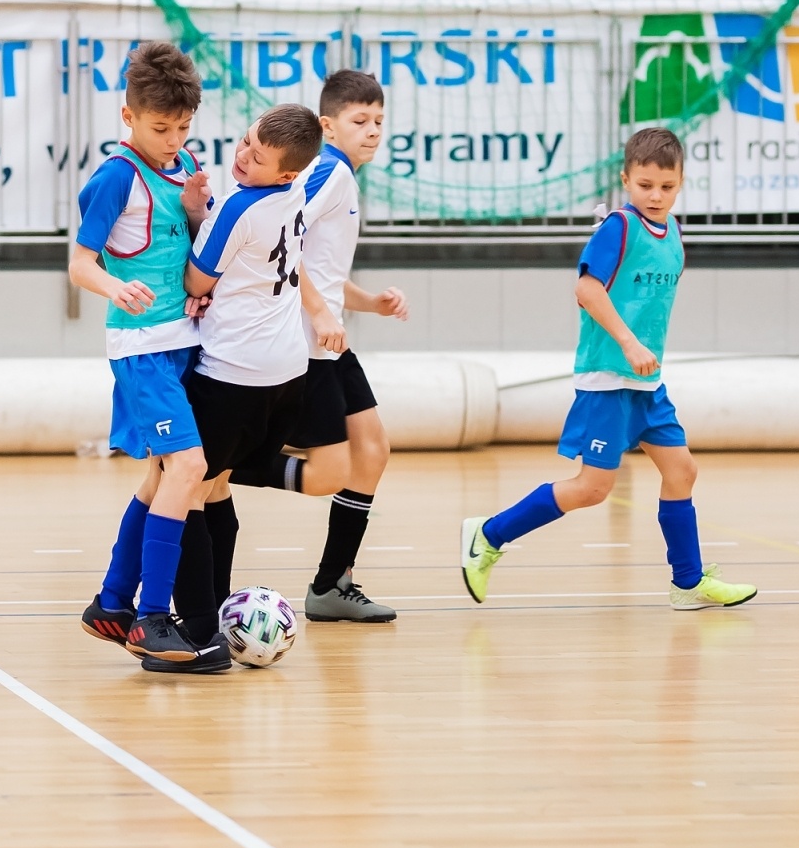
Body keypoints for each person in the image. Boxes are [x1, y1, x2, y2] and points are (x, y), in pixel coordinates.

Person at [459, 127, 757, 611]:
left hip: (646, 383)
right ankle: (488, 535)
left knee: (681, 470)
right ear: (626, 180)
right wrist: (629, 343)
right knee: (593, 488)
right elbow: (587, 290)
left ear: (681, 182)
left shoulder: (674, 232)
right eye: (644, 185)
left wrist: (644, 354)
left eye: (665, 186)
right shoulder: (618, 227)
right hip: (608, 379)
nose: (655, 195)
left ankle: (688, 583)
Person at [230, 69, 409, 623]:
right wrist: (318, 310)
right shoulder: (327, 171)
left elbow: (322, 270)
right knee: (331, 468)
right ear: (329, 126)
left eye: (379, 120)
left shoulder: (343, 176)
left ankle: (332, 585)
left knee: (373, 450)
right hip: (307, 345)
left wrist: (366, 302)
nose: (373, 130)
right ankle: (224, 462)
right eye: (360, 121)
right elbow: (283, 245)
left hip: (329, 339)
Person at [68, 41, 225, 673]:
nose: (174, 139)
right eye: (161, 128)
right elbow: (80, 264)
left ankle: (111, 603)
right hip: (141, 350)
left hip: (183, 343)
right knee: (190, 467)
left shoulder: (182, 164)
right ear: (128, 116)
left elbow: (186, 243)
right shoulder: (113, 177)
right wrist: (117, 287)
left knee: (165, 476)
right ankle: (153, 619)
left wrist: (194, 210)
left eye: (184, 127)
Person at [165, 104, 340, 664]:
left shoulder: (239, 205)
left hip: (234, 373)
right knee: (217, 485)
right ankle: (215, 612)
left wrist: (197, 217)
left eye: (256, 156)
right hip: (285, 372)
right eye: (243, 142)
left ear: (287, 171)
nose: (241, 157)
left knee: (186, 486)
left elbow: (196, 277)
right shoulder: (299, 187)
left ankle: (196, 632)